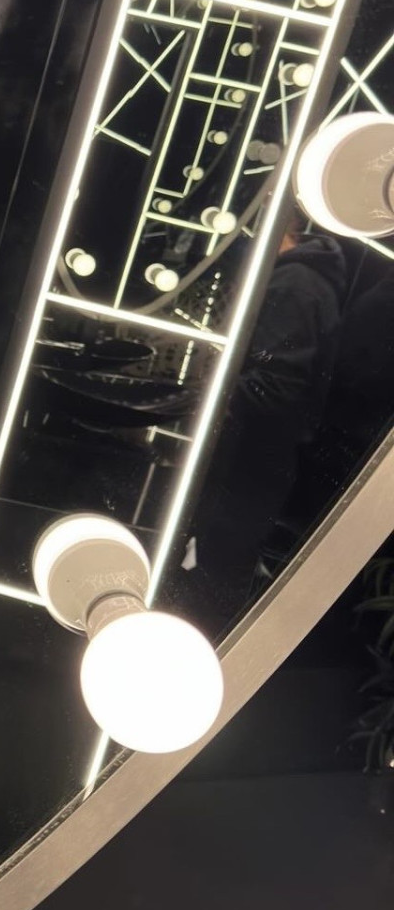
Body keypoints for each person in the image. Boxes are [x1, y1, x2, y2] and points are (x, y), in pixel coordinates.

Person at [176, 212, 346, 631]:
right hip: (262, 460)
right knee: (218, 571)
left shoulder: (295, 284)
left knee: (215, 580)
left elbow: (277, 388)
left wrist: (212, 398)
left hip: (252, 460)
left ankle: (207, 650)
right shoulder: (304, 280)